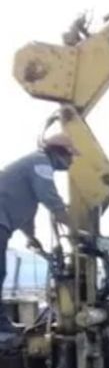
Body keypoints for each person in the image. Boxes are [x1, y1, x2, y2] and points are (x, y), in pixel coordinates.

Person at [0, 134, 75, 332]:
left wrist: (32, 238)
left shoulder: (33, 165)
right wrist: (76, 231)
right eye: (70, 156)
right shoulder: (40, 163)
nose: (71, 162)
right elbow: (49, 196)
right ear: (59, 152)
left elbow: (27, 212)